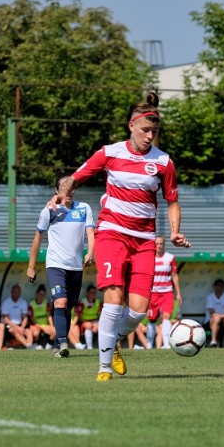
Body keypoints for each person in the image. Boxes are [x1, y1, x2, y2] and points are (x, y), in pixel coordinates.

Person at [50, 91, 190, 381]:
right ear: (131, 125)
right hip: (112, 233)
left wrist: (175, 232)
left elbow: (172, 201)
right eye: (145, 130)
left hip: (145, 241)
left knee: (138, 311)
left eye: (154, 131)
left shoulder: (164, 162)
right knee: (113, 300)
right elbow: (76, 177)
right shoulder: (110, 152)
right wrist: (64, 191)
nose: (150, 136)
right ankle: (103, 368)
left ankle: (111, 341)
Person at [27, 176, 95, 358]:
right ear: (57, 191)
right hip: (56, 265)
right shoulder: (49, 210)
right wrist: (31, 266)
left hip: (76, 267)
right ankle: (64, 342)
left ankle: (58, 346)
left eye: (71, 187)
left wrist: (90, 252)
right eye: (65, 188)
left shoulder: (84, 208)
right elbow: (37, 238)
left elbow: (90, 232)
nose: (69, 191)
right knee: (60, 302)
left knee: (68, 308)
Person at [147, 235, 183, 349]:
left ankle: (167, 344)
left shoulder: (170, 258)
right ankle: (149, 344)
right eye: (157, 244)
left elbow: (174, 275)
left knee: (167, 316)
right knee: (152, 319)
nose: (159, 246)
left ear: (164, 245)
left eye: (161, 244)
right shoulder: (149, 258)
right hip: (153, 293)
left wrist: (178, 293)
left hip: (167, 292)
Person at [205, 278, 224, 348]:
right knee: (217, 318)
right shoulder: (210, 297)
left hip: (223, 320)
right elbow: (213, 314)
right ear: (215, 286)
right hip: (210, 321)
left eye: (222, 285)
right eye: (219, 285)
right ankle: (213, 342)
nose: (220, 287)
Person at [1, 284, 33, 349]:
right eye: (15, 292)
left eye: (18, 292)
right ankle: (28, 347)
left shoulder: (23, 302)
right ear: (12, 292)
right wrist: (18, 327)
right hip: (10, 325)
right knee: (15, 330)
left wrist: (22, 327)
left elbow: (25, 318)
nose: (17, 294)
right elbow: (6, 319)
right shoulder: (6, 303)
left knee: (29, 331)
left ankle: (29, 346)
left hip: (20, 325)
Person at [70, 284, 101, 350]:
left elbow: (101, 315)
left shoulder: (98, 302)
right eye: (90, 292)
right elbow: (78, 316)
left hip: (95, 321)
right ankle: (89, 347)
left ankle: (103, 347)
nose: (92, 294)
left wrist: (98, 324)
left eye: (94, 292)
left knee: (102, 326)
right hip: (84, 322)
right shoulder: (82, 302)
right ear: (87, 293)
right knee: (88, 325)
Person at [28, 285, 56, 350]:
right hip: (35, 325)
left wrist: (51, 325)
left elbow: (49, 315)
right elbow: (32, 320)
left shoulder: (46, 303)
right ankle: (35, 346)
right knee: (35, 333)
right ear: (37, 294)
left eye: (43, 294)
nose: (41, 296)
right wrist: (42, 327)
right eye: (40, 294)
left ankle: (48, 347)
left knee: (55, 331)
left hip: (45, 325)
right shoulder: (31, 304)